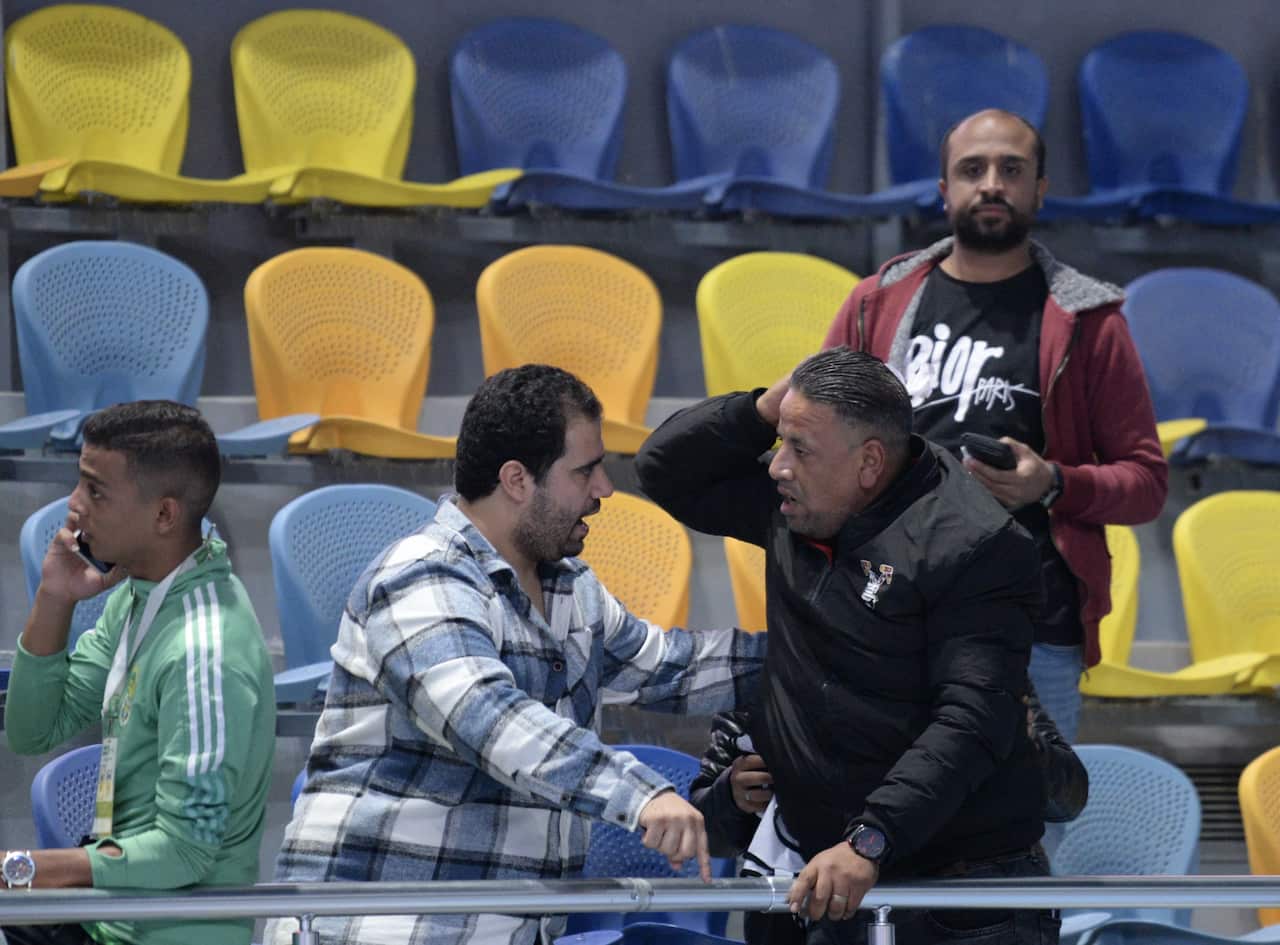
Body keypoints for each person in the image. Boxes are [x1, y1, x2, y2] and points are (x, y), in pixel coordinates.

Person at [270, 364, 767, 945]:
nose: (604, 489)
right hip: (375, 928)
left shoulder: (571, 587)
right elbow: (489, 718)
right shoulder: (421, 576)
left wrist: (816, 648)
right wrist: (640, 792)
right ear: (516, 479)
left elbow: (671, 667)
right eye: (585, 470)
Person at [636, 348, 1054, 945]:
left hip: (958, 895)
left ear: (869, 462)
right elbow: (663, 469)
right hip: (826, 874)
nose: (778, 466)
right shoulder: (797, 499)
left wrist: (872, 836)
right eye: (779, 442)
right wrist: (762, 409)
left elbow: (972, 719)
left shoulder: (977, 545)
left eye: (798, 449)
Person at [823, 108, 1168, 742]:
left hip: (1032, 627)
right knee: (881, 824)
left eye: (1012, 169)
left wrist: (1054, 483)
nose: (991, 184)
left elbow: (1146, 482)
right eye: (972, 169)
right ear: (943, 190)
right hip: (891, 615)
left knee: (1030, 834)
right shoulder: (875, 303)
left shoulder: (1090, 321)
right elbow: (817, 447)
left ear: (1039, 188)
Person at [2, 401, 276, 945]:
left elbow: (186, 849)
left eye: (95, 491)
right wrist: (54, 597)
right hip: (115, 920)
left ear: (164, 516)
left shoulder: (205, 652)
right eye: (78, 484)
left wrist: (31, 870)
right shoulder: (141, 593)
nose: (74, 507)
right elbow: (33, 729)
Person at [690, 681, 1089, 945]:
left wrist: (1022, 750)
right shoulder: (763, 681)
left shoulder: (981, 670)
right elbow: (707, 837)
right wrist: (732, 796)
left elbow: (1067, 799)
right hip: (819, 915)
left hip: (966, 903)